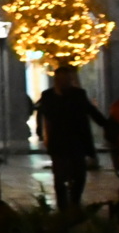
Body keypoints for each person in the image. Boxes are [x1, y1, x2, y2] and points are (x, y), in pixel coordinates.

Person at [33, 64, 111, 213]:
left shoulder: (78, 94)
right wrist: (40, 133)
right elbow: (41, 113)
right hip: (59, 142)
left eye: (67, 79)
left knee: (80, 175)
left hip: (77, 141)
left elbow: (91, 111)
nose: (64, 82)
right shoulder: (48, 95)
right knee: (60, 177)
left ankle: (75, 202)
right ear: (56, 80)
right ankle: (63, 207)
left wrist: (107, 125)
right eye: (61, 79)